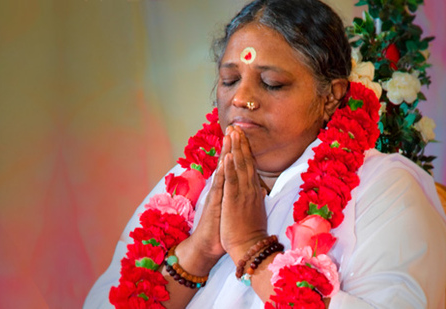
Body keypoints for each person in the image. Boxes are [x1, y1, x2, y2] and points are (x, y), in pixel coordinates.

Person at [84, 0, 446, 307]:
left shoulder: (385, 190)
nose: (241, 98)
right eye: (229, 80)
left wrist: (250, 247)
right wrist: (199, 250)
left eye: (272, 83)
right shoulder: (186, 190)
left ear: (331, 96)